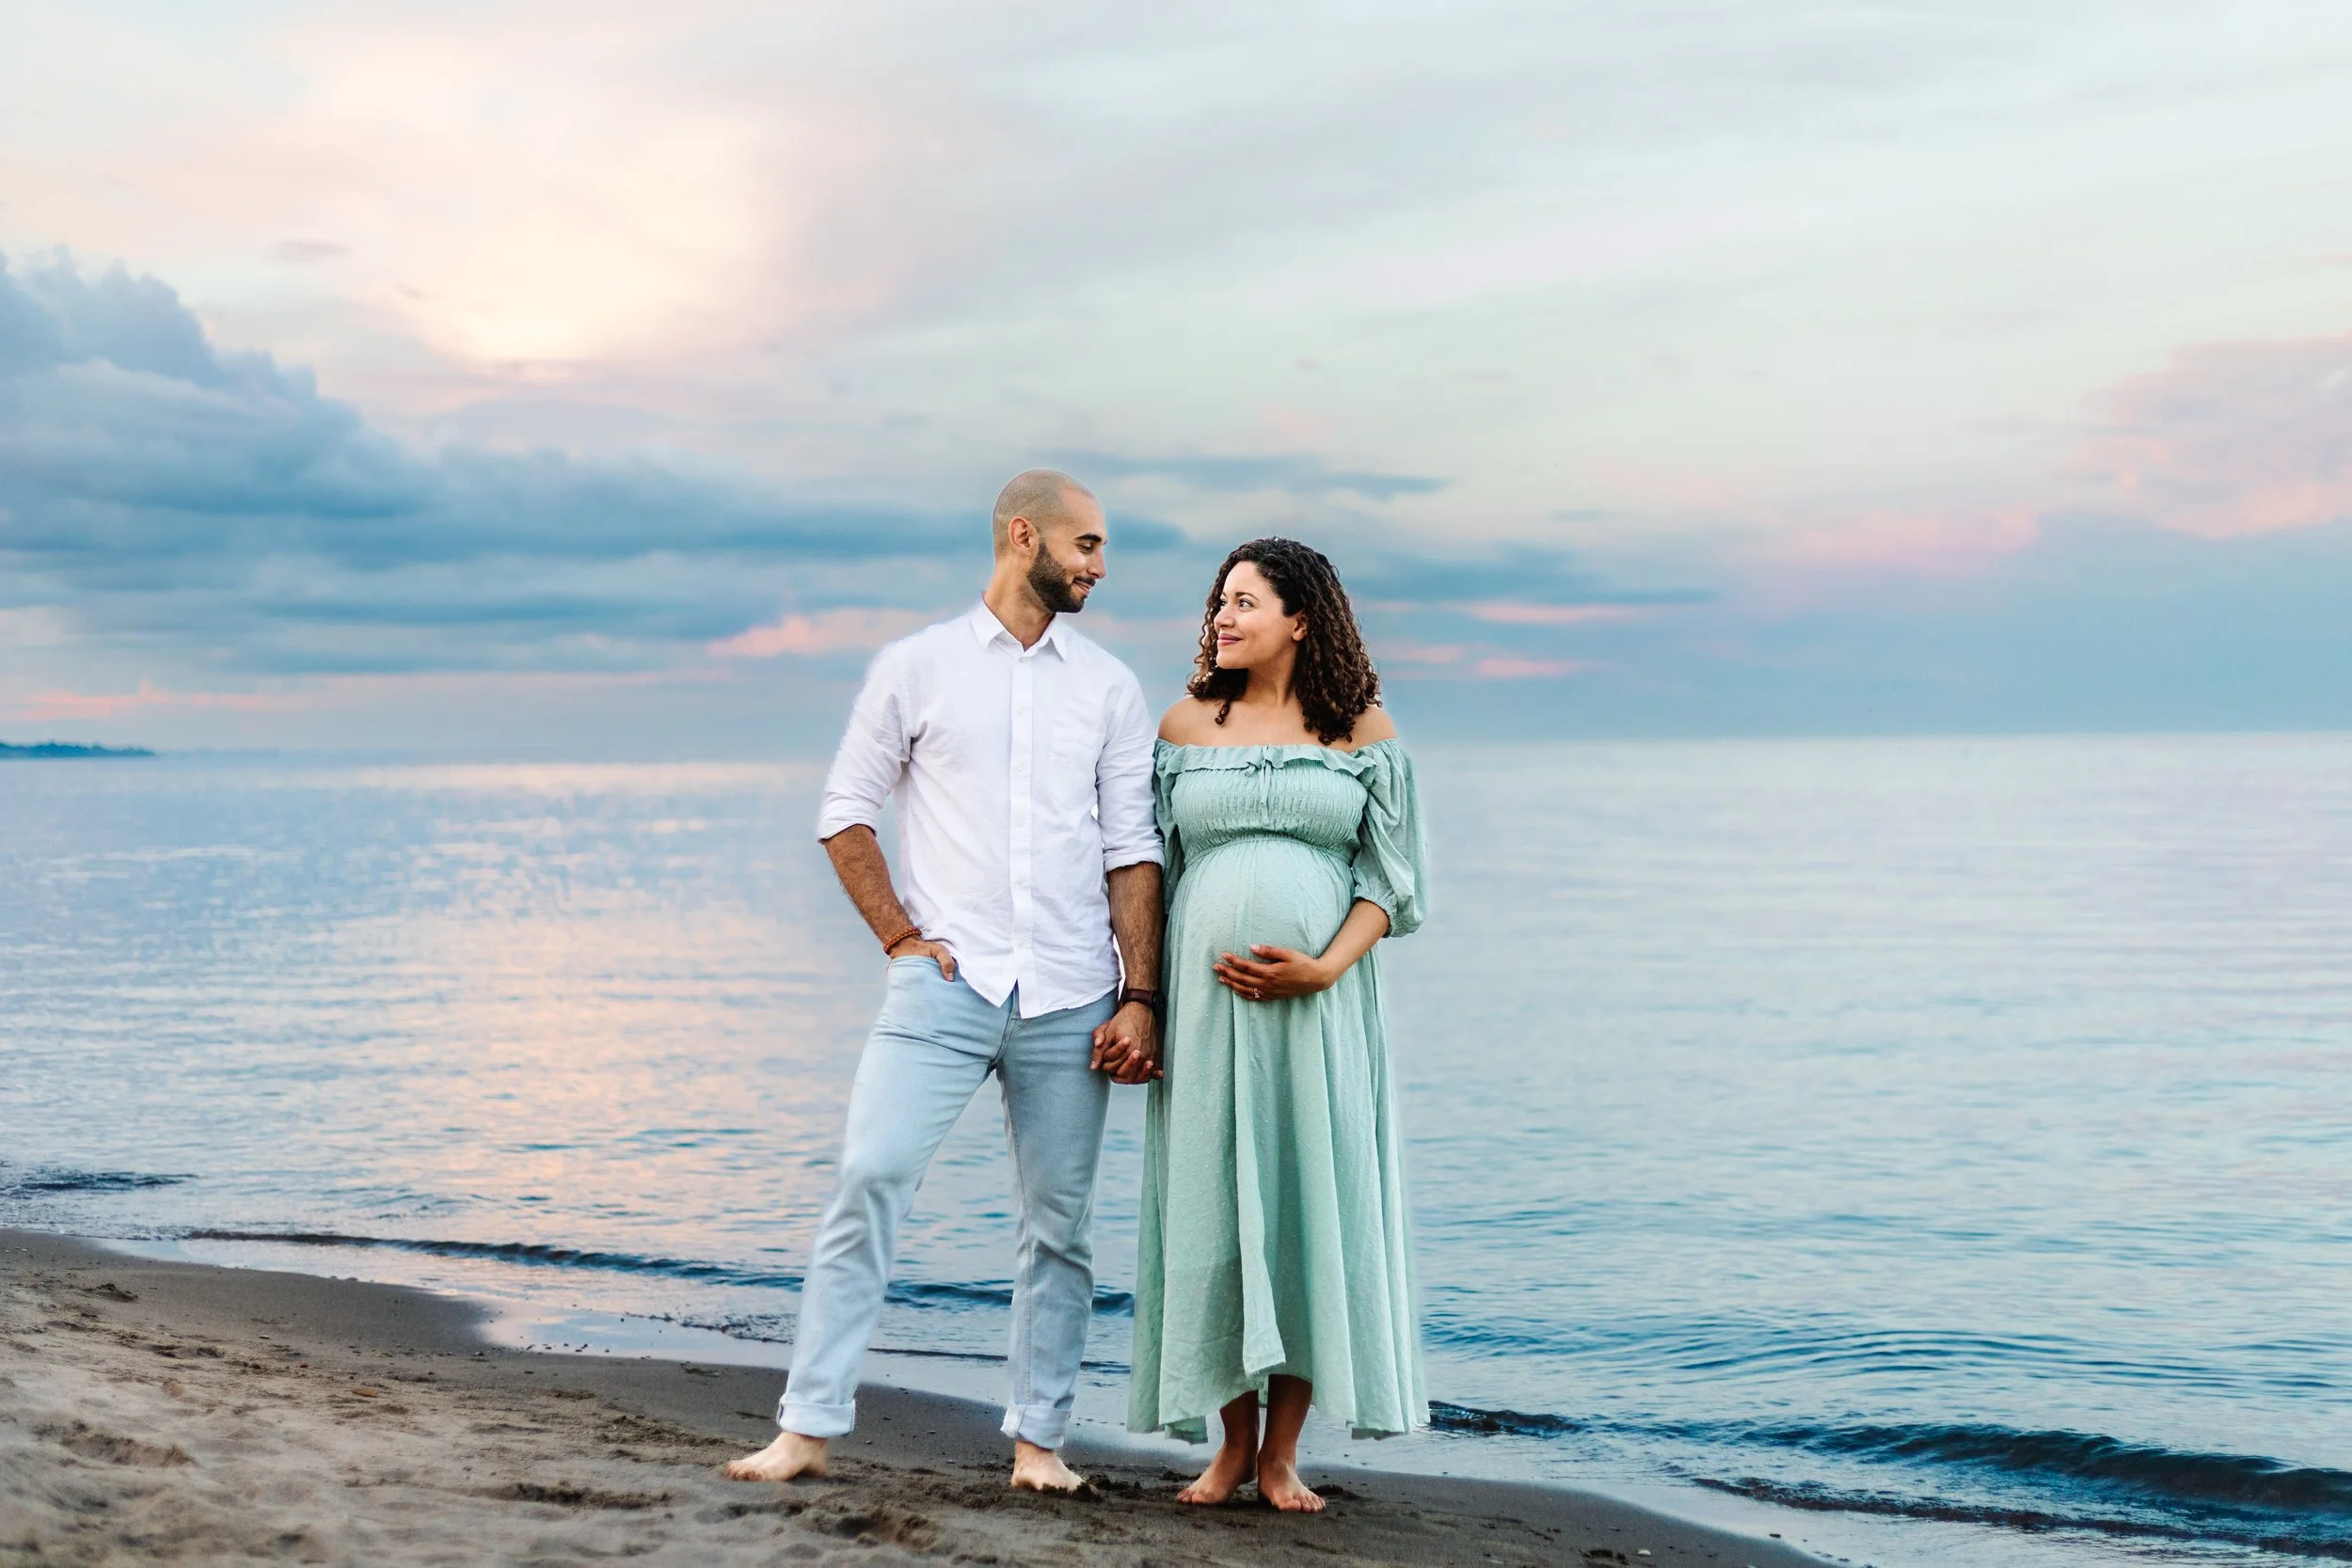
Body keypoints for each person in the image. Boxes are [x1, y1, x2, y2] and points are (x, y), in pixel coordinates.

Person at [726, 469, 1166, 1494]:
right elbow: (845, 810)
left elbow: (1131, 850)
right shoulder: (914, 666)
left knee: (1059, 1228)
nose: (1100, 566)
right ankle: (807, 1426)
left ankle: (1038, 1444)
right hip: (946, 983)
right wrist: (897, 934)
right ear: (1026, 537)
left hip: (1071, 994)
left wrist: (1139, 995)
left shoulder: (1108, 686)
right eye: (1088, 545)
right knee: (868, 1178)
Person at [1128, 536, 1429, 1513]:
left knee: (1308, 1208)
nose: (1223, 615)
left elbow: (1392, 882)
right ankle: (1227, 1445)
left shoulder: (1362, 729)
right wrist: (1143, 1001)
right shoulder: (1181, 724)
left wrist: (1323, 966)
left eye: (1245, 601)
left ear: (1301, 617)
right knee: (1209, 1205)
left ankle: (1281, 1454)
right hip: (1208, 1018)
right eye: (1219, 600)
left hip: (1320, 1015)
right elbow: (1151, 874)